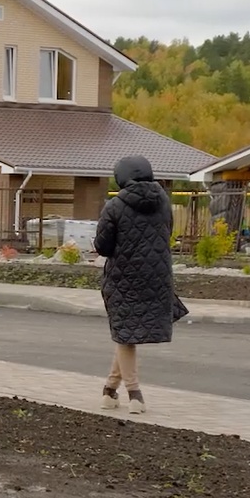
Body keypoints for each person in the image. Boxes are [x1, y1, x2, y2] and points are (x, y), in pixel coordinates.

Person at [92, 154, 187, 414]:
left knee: (125, 334)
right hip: (157, 276)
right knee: (126, 335)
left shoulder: (114, 206)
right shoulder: (164, 202)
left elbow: (103, 246)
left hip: (123, 277)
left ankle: (135, 394)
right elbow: (167, 232)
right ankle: (109, 391)